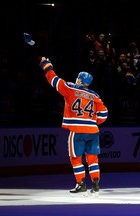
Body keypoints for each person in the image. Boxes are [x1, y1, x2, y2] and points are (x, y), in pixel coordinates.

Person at [39, 57, 108, 196]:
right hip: (93, 131)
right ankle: (95, 185)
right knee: (92, 158)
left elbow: (54, 80)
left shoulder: (70, 88)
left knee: (76, 158)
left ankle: (81, 184)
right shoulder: (95, 96)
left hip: (77, 131)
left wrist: (46, 65)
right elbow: (104, 113)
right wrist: (93, 122)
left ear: (79, 80)